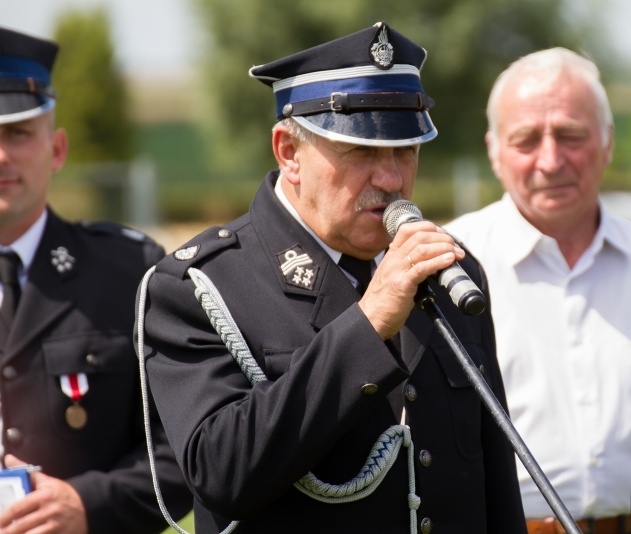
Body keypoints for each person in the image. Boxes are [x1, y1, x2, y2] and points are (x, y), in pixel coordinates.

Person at [137, 22, 526, 534]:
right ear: (288, 152)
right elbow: (221, 476)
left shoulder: (449, 269)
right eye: (362, 152)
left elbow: (493, 482)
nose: (391, 178)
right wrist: (367, 325)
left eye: (405, 150)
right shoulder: (196, 287)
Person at [445, 48, 631, 534]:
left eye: (571, 135)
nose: (550, 159)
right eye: (526, 139)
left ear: (608, 142)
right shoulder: (444, 268)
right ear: (494, 151)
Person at [0, 26, 192, 533]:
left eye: (17, 133)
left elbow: (187, 447)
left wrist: (90, 504)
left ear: (57, 149)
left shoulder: (132, 274)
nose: (1, 156)